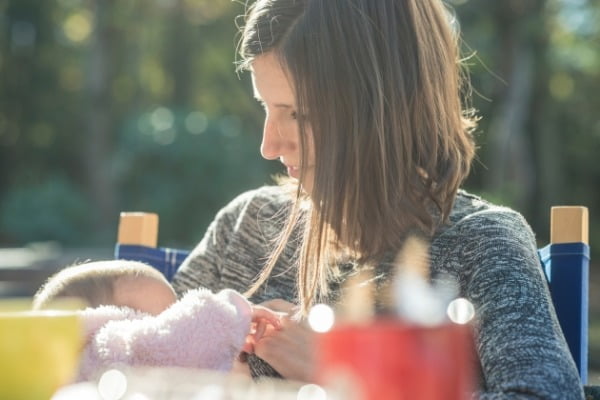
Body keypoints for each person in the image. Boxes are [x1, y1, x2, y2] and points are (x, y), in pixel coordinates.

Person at [171, 0, 584, 398]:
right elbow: (129, 351)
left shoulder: (479, 245)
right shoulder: (247, 224)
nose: (268, 144)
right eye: (266, 105)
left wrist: (347, 371)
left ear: (385, 107)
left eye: (299, 113)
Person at [33, 260, 281, 381]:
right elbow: (174, 343)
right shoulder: (108, 345)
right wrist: (232, 312)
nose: (175, 320)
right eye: (163, 318)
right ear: (107, 316)